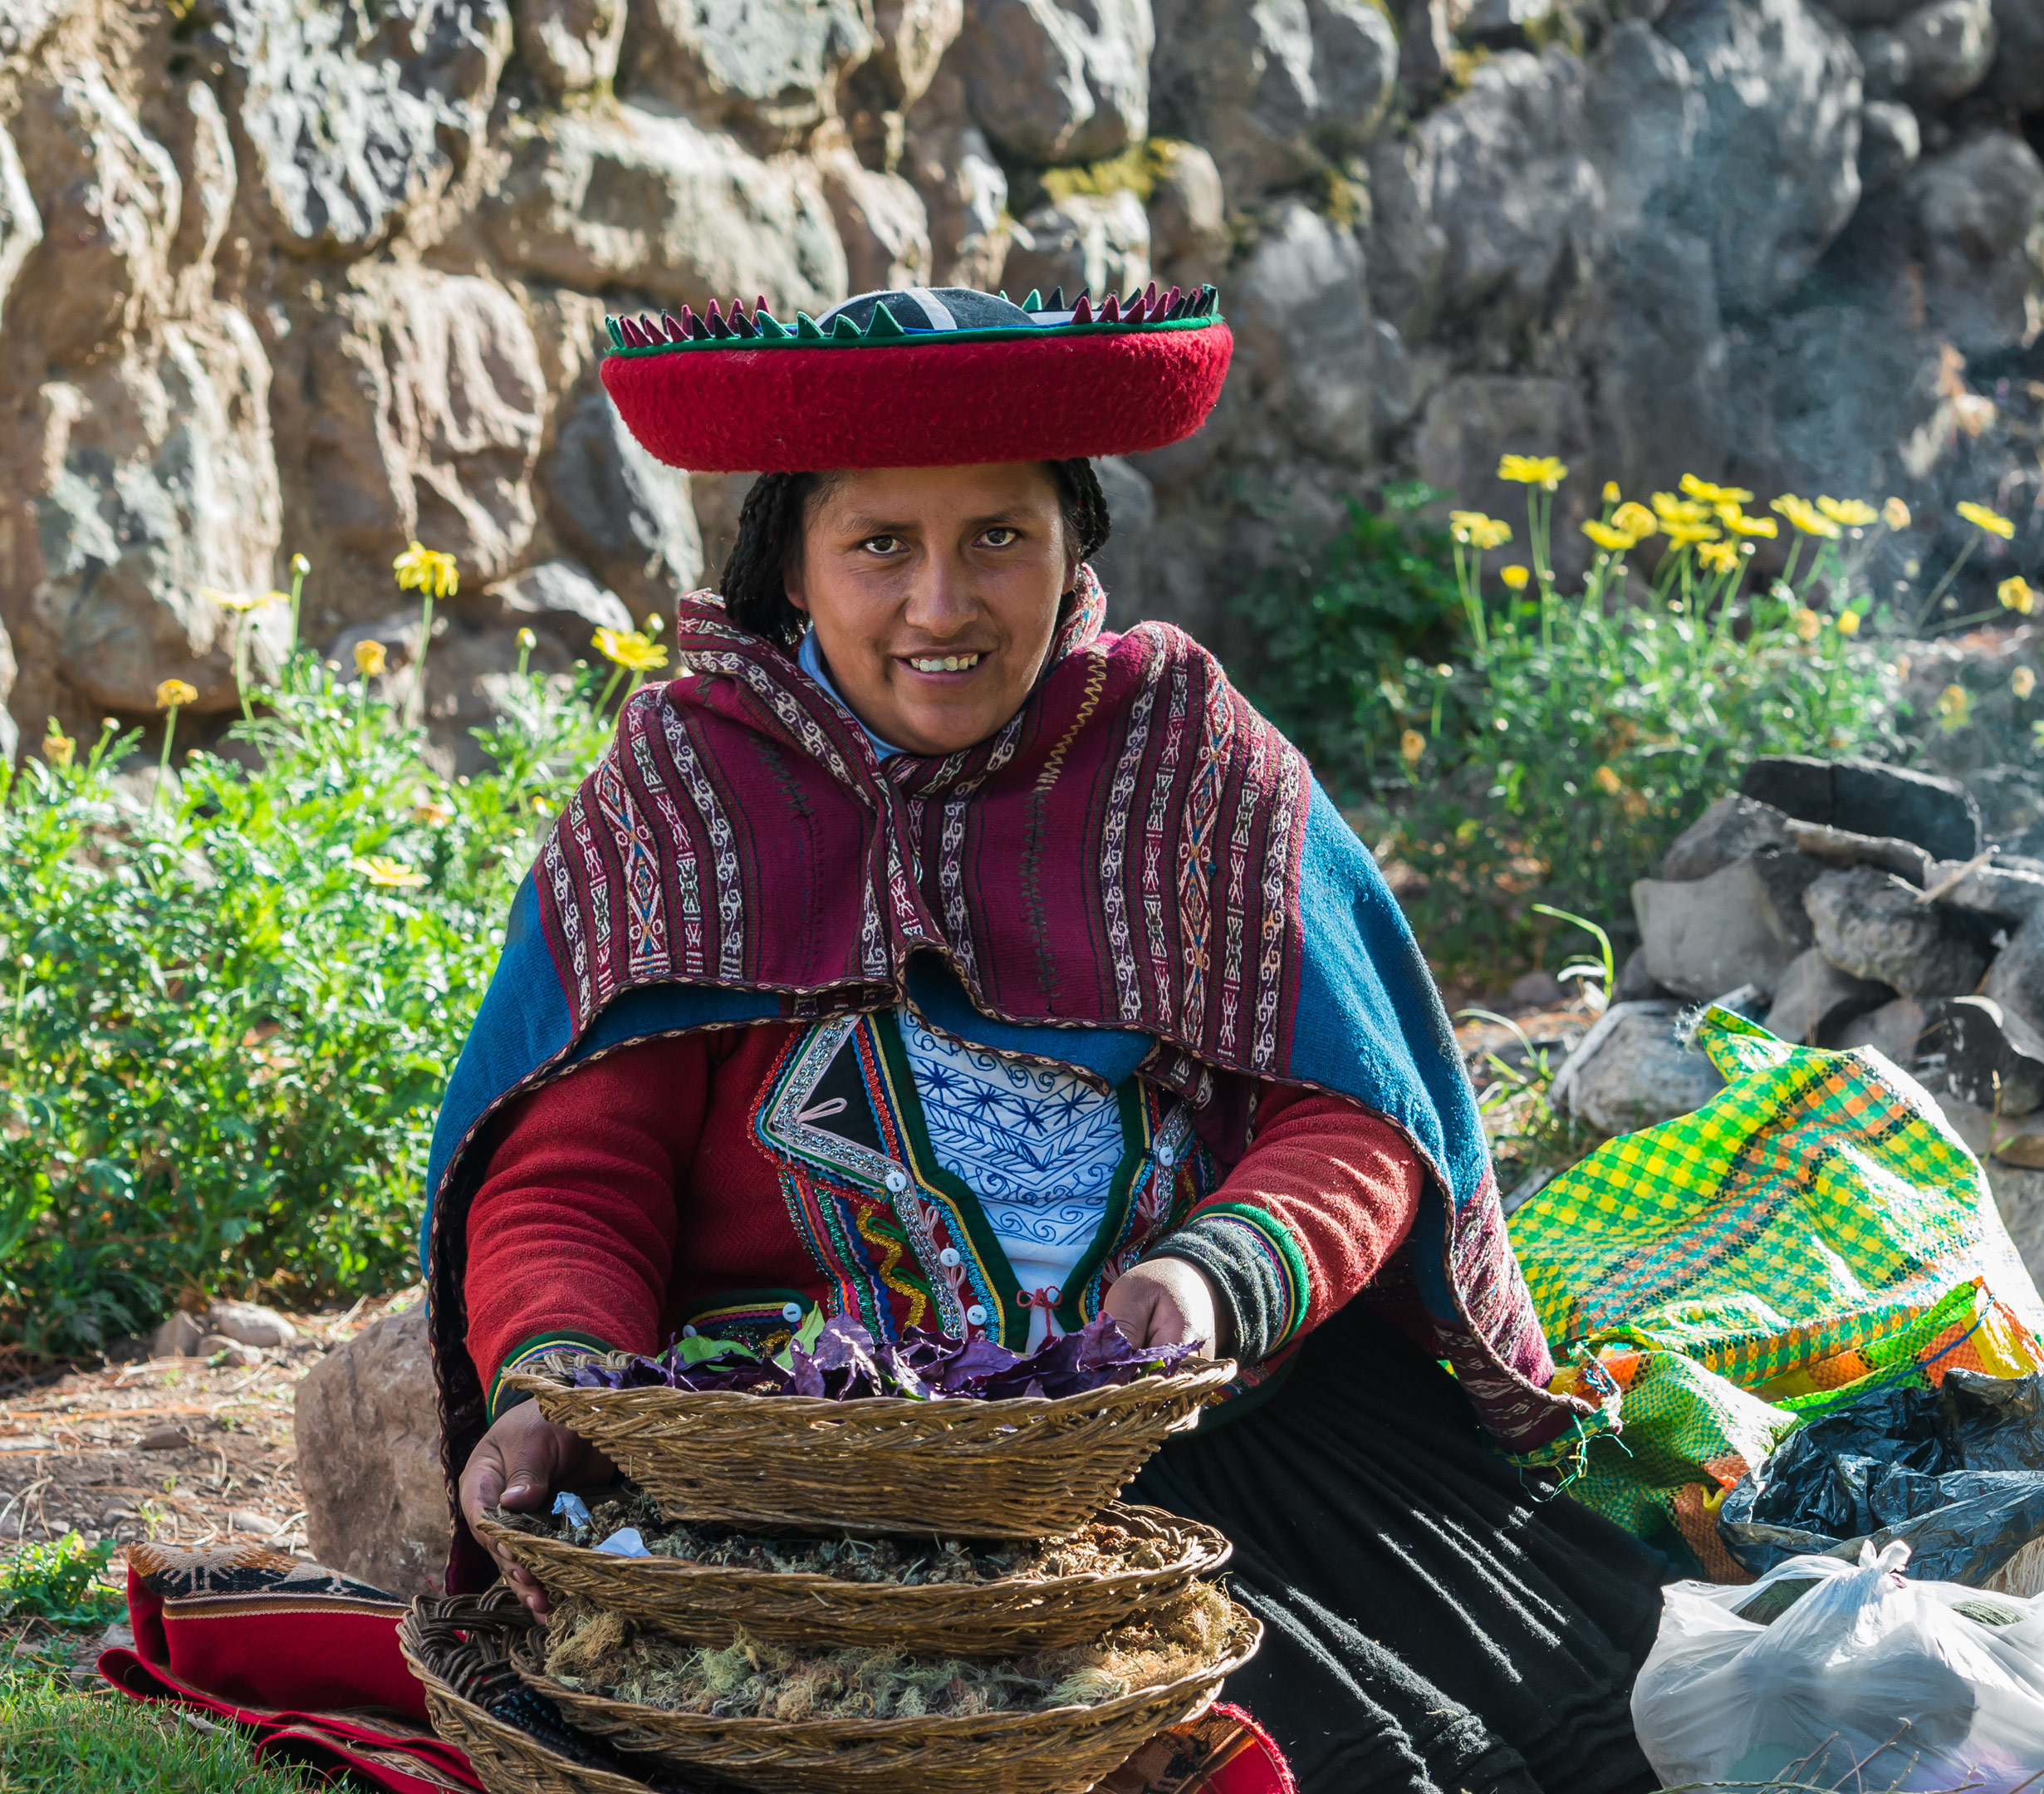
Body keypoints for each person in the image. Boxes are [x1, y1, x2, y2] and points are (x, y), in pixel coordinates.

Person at [423, 285, 1668, 1794]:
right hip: (811, 1504)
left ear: (1073, 544)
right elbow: (574, 1178)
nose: (941, 605)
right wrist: (558, 1386)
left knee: (1522, 1740)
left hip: (1209, 1457)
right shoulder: (688, 808)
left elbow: (1357, 1113)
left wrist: (1218, 1275)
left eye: (997, 538)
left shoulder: (1190, 765)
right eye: (880, 545)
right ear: (791, 570)